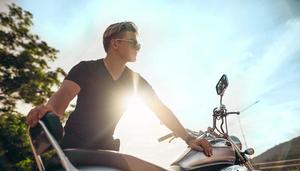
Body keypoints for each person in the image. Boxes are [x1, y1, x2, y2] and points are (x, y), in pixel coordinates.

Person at [26, 21, 213, 156]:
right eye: (134, 43)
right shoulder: (85, 69)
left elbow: (160, 110)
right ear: (115, 43)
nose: (138, 48)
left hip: (107, 151)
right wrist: (48, 112)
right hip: (73, 148)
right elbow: (61, 100)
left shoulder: (135, 81)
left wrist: (189, 139)